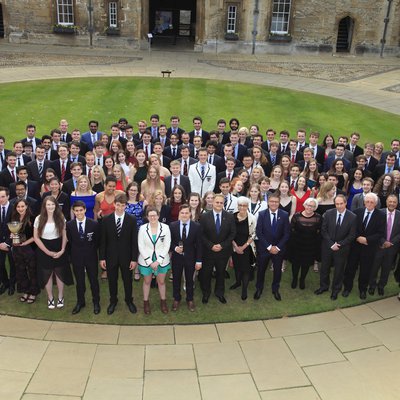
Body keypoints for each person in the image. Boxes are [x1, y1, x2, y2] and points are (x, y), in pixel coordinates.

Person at [99, 193, 138, 315]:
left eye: (123, 205)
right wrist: (102, 258)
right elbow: (103, 241)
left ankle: (129, 300)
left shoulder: (131, 220)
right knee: (112, 280)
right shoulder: (106, 220)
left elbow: (134, 241)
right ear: (114, 205)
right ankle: (113, 301)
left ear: (126, 206)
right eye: (118, 205)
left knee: (127, 280)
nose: (120, 208)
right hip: (111, 257)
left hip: (126, 257)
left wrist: (133, 259)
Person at [342, 193, 385, 299]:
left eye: (372, 202)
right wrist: (358, 238)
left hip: (369, 247)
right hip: (355, 246)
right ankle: (347, 288)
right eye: (367, 201)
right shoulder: (357, 212)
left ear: (375, 203)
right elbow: (352, 228)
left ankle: (362, 290)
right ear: (364, 202)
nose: (369, 204)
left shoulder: (381, 216)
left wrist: (367, 239)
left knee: (365, 270)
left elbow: (380, 233)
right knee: (350, 268)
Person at [33, 196, 72, 309]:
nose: (50, 207)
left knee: (60, 273)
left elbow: (64, 235)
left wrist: (62, 250)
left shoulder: (60, 217)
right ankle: (50, 297)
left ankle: (60, 296)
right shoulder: (38, 219)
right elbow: (36, 237)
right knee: (47, 274)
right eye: (48, 205)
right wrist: (47, 251)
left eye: (52, 204)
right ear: (44, 206)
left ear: (56, 205)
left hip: (59, 246)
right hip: (44, 248)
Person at [315, 195, 357, 300]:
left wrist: (340, 244)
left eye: (341, 204)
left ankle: (335, 290)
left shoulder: (352, 217)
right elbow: (323, 230)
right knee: (324, 268)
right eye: (337, 204)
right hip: (327, 247)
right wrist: (331, 244)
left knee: (339, 270)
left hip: (342, 249)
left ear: (345, 203)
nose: (339, 206)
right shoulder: (329, 214)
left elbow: (352, 235)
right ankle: (323, 286)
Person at [199, 194, 236, 304]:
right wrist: (211, 245)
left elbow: (232, 233)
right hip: (208, 251)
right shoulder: (205, 216)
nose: (219, 204)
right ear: (212, 203)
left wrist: (222, 245)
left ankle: (219, 293)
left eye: (221, 202)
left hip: (223, 252)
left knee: (220, 274)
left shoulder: (229, 216)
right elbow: (201, 234)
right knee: (206, 273)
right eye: (217, 202)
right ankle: (206, 293)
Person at [254, 194, 290, 301]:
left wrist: (277, 247)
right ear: (268, 202)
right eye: (272, 201)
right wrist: (269, 247)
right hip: (264, 248)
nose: (274, 204)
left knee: (277, 270)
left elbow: (287, 234)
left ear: (279, 203)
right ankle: (259, 288)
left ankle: (275, 289)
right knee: (261, 270)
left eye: (276, 202)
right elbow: (259, 233)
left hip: (279, 249)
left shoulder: (284, 215)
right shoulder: (261, 214)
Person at [66, 201, 100, 315]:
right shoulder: (69, 225)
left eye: (81, 210)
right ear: (73, 211)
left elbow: (96, 242)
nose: (79, 212)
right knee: (79, 281)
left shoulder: (93, 224)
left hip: (91, 257)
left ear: (85, 210)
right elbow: (70, 241)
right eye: (76, 211)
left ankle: (96, 302)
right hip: (77, 257)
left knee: (93, 280)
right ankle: (81, 302)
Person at [138, 206, 171, 314]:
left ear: (158, 216)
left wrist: (158, 261)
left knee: (161, 282)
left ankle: (163, 301)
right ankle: (146, 302)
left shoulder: (165, 228)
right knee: (147, 281)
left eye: (155, 215)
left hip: (161, 259)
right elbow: (141, 246)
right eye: (150, 215)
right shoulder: (143, 228)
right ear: (147, 217)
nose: (153, 217)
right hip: (146, 260)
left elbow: (167, 245)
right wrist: (149, 262)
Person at [170, 204, 202, 311]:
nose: (184, 215)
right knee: (176, 279)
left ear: (190, 214)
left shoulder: (196, 226)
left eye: (186, 213)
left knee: (189, 279)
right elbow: (169, 242)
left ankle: (190, 299)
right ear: (179, 214)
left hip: (191, 258)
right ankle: (177, 298)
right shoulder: (173, 225)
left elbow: (199, 245)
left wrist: (198, 261)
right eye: (182, 213)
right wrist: (174, 248)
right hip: (177, 258)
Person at [369, 194, 400, 296]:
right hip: (379, 246)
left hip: (392, 248)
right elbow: (374, 229)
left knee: (386, 269)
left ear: (397, 203)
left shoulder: (399, 215)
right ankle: (372, 286)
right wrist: (383, 242)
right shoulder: (379, 213)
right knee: (374, 267)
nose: (392, 204)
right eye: (390, 201)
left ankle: (381, 286)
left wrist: (391, 242)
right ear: (386, 202)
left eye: (394, 202)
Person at [289, 198, 322, 289]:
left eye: (312, 206)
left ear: (315, 208)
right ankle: (295, 278)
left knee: (306, 264)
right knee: (295, 264)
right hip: (297, 245)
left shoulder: (318, 217)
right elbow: (291, 230)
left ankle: (302, 279)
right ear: (304, 205)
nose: (309, 207)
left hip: (310, 245)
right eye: (308, 205)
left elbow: (319, 232)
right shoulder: (296, 216)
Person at [10, 199, 38, 303]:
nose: (20, 209)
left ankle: (33, 292)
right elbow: (12, 232)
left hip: (30, 248)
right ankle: (26, 291)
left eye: (22, 206)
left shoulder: (33, 218)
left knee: (32, 270)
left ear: (26, 206)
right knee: (21, 270)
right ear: (15, 208)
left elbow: (36, 236)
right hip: (17, 248)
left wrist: (25, 243)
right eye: (18, 207)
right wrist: (12, 235)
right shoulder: (14, 217)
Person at [230, 197, 256, 300]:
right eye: (240, 205)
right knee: (237, 266)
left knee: (245, 269)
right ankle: (237, 282)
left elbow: (253, 234)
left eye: (244, 205)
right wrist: (236, 247)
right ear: (237, 206)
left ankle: (244, 289)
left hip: (247, 247)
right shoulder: (232, 217)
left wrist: (243, 247)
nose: (242, 207)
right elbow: (229, 233)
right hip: (234, 247)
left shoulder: (252, 218)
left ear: (247, 206)